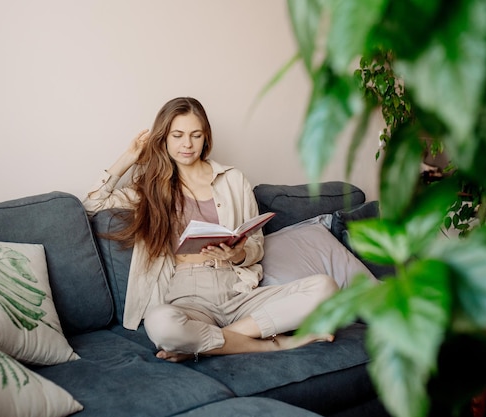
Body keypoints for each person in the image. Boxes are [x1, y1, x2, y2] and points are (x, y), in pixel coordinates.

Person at [83, 97, 338, 362]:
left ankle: (205, 343)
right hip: (189, 297)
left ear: (206, 138)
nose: (187, 144)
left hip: (238, 290)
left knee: (326, 287)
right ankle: (273, 344)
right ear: (164, 138)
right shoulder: (152, 188)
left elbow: (256, 245)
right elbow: (93, 203)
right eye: (178, 135)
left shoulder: (233, 179)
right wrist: (129, 157)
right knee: (160, 324)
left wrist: (236, 254)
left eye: (195, 135)